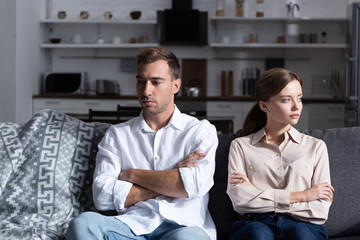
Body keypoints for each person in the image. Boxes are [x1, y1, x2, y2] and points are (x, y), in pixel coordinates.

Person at [66, 46, 218, 240]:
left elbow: (192, 186)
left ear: (176, 85)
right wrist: (172, 177)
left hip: (183, 227)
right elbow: (102, 197)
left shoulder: (200, 130)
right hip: (131, 227)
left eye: (156, 82)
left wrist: (131, 174)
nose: (146, 91)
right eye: (141, 82)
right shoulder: (117, 134)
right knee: (83, 224)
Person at [227, 68, 334, 240]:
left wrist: (258, 195)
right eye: (286, 100)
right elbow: (240, 201)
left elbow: (320, 209)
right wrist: (303, 195)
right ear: (264, 105)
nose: (296, 106)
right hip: (255, 223)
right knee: (258, 234)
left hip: (303, 225)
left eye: (299, 98)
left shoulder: (316, 147)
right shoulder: (241, 146)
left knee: (301, 234)